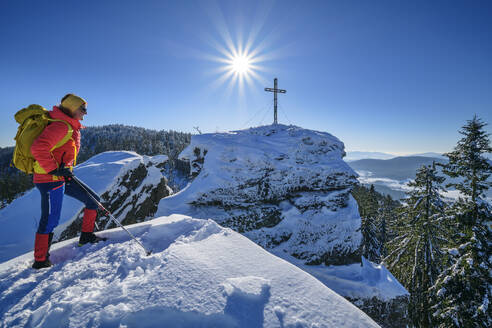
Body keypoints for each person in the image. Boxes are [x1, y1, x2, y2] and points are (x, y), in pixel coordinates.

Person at [30, 93, 106, 269]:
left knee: (92, 199)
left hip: (62, 176)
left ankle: (86, 237)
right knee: (50, 219)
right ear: (72, 109)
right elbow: (38, 147)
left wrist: (62, 170)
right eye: (83, 109)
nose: (85, 113)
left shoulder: (70, 126)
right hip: (49, 179)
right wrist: (53, 169)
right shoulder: (61, 127)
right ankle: (40, 260)